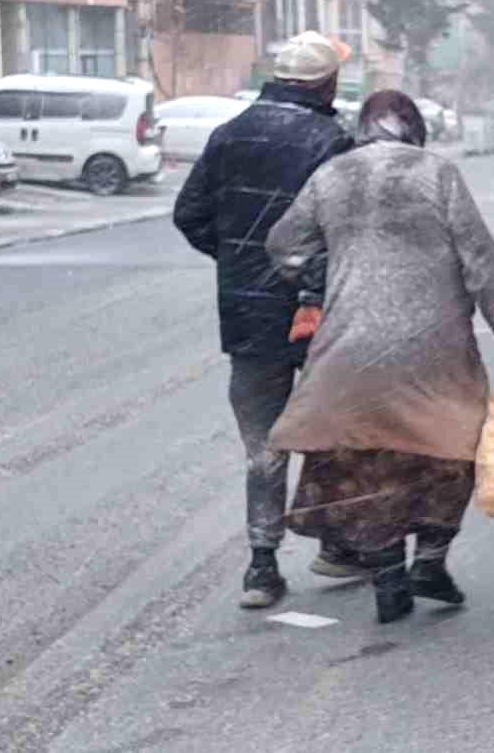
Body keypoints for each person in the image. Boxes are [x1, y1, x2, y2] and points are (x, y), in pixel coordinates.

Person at [264, 90, 494, 624]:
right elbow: (480, 261)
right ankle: (430, 561)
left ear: (363, 128)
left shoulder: (331, 176)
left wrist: (322, 275)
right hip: (433, 347)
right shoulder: (437, 175)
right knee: (450, 450)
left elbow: (283, 244)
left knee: (368, 460)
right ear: (415, 129)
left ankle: (389, 573)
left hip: (349, 345)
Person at [173, 31, 358, 609]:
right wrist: (312, 283)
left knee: (263, 444)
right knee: (331, 430)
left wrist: (236, 258)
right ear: (326, 83)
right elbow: (342, 233)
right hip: (319, 314)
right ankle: (336, 544)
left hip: (248, 314)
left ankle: (261, 565)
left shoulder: (227, 136)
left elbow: (190, 214)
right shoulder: (330, 141)